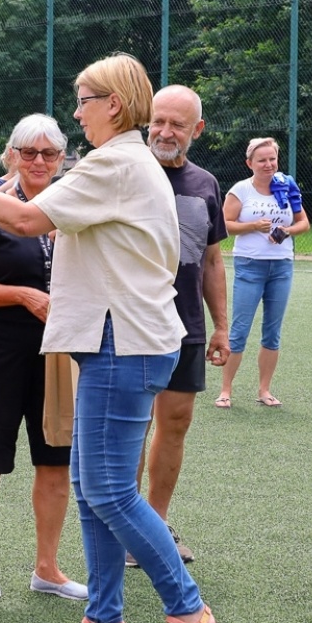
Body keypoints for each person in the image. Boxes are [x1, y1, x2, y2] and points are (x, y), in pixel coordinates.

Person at [0, 53, 222, 623]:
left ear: (112, 105)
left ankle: (188, 611)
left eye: (84, 99)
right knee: (94, 489)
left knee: (111, 491)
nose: (78, 110)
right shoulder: (119, 163)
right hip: (114, 340)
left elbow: (28, 216)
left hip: (125, 342)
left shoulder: (115, 161)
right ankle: (105, 620)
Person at [0, 114, 85, 602]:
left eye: (48, 154)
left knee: (55, 459)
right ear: (11, 155)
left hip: (56, 350)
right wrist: (23, 296)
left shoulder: (67, 205)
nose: (38, 162)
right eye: (28, 153)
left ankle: (47, 568)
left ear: (61, 160)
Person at [134, 84, 228, 565]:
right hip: (129, 325)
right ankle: (124, 529)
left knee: (175, 424)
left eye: (177, 124)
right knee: (130, 427)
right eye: (159, 121)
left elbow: (212, 261)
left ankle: (155, 523)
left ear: (197, 130)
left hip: (186, 328)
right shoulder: (124, 172)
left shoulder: (205, 184)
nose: (165, 132)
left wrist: (221, 326)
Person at [217, 137, 308, 409]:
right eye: (262, 160)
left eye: (272, 159)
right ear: (250, 163)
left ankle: (264, 390)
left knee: (272, 332)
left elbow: (303, 222)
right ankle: (225, 390)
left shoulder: (286, 186)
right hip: (249, 265)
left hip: (281, 266)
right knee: (239, 331)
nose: (268, 165)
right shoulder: (241, 191)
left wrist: (287, 231)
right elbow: (223, 224)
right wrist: (253, 226)